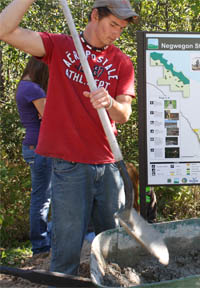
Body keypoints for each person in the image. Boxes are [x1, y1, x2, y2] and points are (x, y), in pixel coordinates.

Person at [0, 0, 138, 276]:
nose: (115, 33)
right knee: (66, 251)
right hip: (69, 166)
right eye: (112, 25)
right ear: (94, 15)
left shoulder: (121, 61)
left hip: (109, 165)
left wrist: (109, 102)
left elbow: (123, 114)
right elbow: (5, 30)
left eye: (121, 29)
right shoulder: (61, 47)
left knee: (115, 248)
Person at [16, 56, 52, 257]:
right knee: (42, 198)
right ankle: (40, 246)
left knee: (43, 197)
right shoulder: (34, 89)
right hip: (39, 147)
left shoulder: (24, 86)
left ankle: (44, 241)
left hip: (33, 146)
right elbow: (50, 118)